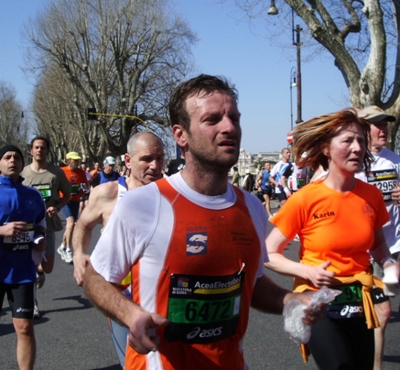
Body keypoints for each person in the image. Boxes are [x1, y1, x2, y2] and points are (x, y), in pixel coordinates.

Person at [83, 74, 324, 370]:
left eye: (233, 117)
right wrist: (132, 315)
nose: (229, 127)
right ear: (180, 135)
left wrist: (290, 300)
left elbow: (253, 283)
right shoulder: (143, 204)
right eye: (212, 120)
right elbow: (96, 276)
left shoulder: (251, 208)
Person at [265, 108, 400, 369]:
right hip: (317, 301)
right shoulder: (306, 198)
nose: (357, 147)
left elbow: (378, 244)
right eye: (348, 140)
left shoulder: (370, 196)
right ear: (327, 149)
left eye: (361, 140)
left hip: (357, 298)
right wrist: (308, 272)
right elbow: (269, 254)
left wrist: (389, 263)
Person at [72, 132, 164, 369]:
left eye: (160, 158)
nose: (155, 166)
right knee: (131, 363)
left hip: (160, 294)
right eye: (146, 159)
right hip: (121, 295)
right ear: (128, 160)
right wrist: (78, 254)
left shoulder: (169, 194)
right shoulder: (107, 194)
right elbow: (83, 224)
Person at [356, 105, 400, 370]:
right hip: (367, 249)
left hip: (394, 244)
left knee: (378, 312)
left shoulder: (395, 160)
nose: (383, 128)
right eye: (376, 124)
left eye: (385, 123)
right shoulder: (353, 161)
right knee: (381, 313)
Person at [0, 145, 47, 370]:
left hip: (22, 271)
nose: (12, 161)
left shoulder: (33, 195)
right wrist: (2, 230)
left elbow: (40, 225)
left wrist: (40, 239)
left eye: (16, 157)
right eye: (7, 157)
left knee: (25, 327)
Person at [21, 136, 71, 318]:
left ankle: (39, 272)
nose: (39, 150)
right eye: (36, 147)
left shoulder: (56, 173)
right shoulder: (23, 173)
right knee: (28, 266)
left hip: (48, 225)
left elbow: (67, 194)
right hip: (27, 227)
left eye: (43, 148)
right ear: (31, 151)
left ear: (48, 151)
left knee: (47, 267)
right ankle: (31, 302)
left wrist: (57, 207)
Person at [57, 152, 88, 264]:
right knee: (70, 224)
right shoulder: (62, 171)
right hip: (65, 200)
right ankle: (69, 250)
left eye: (77, 160)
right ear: (68, 160)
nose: (76, 162)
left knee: (71, 226)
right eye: (74, 160)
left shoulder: (81, 172)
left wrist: (84, 191)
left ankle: (62, 246)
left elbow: (85, 185)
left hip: (75, 200)